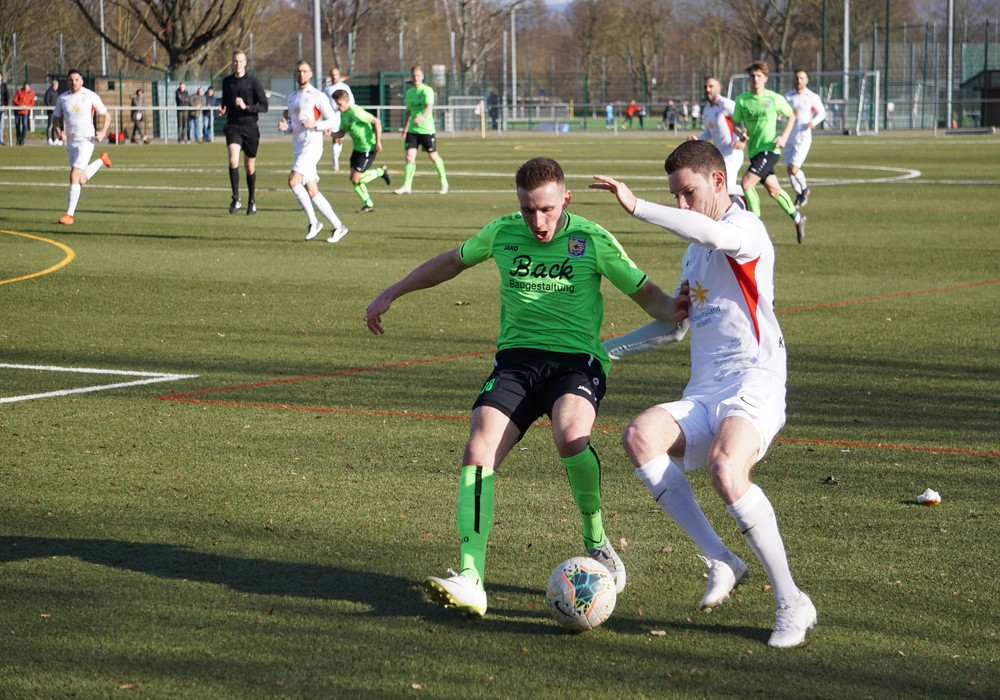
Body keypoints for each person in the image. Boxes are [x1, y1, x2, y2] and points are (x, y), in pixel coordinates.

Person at [364, 156, 676, 617]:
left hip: (576, 361)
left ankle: (597, 542)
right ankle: (471, 578)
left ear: (565, 199)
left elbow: (646, 294)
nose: (538, 221)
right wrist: (393, 291)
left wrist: (683, 309)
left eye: (547, 209)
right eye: (529, 210)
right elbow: (451, 262)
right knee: (478, 450)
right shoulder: (503, 232)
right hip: (516, 362)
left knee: (571, 435)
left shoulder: (592, 239)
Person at [590, 139, 816, 649]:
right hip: (704, 391)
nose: (682, 206)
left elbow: (710, 229)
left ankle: (791, 601)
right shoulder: (695, 252)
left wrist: (637, 207)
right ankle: (722, 558)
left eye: (687, 193)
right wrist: (606, 351)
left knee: (725, 467)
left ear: (719, 181)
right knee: (639, 436)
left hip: (754, 379)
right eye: (674, 197)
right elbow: (674, 329)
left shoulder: (744, 231)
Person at [731, 61, 806, 243]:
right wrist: (741, 135)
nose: (755, 79)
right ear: (749, 78)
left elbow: (791, 116)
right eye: (752, 76)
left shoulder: (773, 98)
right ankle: (798, 218)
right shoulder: (742, 100)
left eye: (759, 76)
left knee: (747, 184)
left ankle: (755, 225)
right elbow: (734, 124)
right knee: (774, 190)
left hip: (770, 150)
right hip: (755, 151)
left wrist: (783, 138)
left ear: (765, 78)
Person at [279, 61, 349, 244]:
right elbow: (294, 125)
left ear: (310, 74)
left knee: (293, 181)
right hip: (298, 148)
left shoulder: (318, 96)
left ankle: (314, 223)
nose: (301, 74)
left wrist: (315, 124)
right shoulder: (292, 97)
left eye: (304, 71)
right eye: (298, 71)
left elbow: (334, 122)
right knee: (312, 190)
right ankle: (339, 226)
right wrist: (284, 127)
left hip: (312, 148)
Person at [52, 69, 112, 225]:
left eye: (77, 79)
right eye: (71, 80)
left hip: (87, 140)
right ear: (68, 81)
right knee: (81, 179)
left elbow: (107, 116)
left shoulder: (90, 96)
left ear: (82, 81)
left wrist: (103, 133)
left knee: (73, 175)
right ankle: (102, 160)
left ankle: (69, 215)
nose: (74, 82)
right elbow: (56, 119)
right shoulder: (63, 98)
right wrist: (59, 132)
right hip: (71, 142)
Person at [219, 49, 269, 215]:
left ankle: (252, 200)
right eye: (235, 61)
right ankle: (235, 198)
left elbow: (264, 106)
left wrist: (247, 107)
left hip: (250, 128)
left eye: (240, 61)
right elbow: (225, 101)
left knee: (249, 166)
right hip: (233, 126)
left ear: (245, 63)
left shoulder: (253, 82)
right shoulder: (227, 82)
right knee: (233, 160)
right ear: (232, 62)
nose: (237, 64)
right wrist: (222, 108)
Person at [330, 89, 390, 214]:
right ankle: (369, 204)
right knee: (354, 179)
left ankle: (380, 172)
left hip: (368, 148)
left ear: (347, 101)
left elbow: (376, 121)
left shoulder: (355, 111)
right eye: (336, 103)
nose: (337, 106)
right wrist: (329, 133)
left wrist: (378, 141)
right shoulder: (343, 114)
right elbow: (341, 133)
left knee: (356, 178)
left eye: (339, 103)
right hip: (357, 149)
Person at [689, 77, 745, 208]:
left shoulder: (726, 104)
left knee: (725, 187)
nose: (708, 90)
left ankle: (748, 190)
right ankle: (742, 213)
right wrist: (697, 140)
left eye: (711, 86)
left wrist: (740, 139)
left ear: (719, 88)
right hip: (720, 156)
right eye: (705, 87)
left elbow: (742, 120)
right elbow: (709, 132)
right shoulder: (707, 109)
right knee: (723, 191)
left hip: (733, 153)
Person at [394, 65, 449, 195]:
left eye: (418, 75)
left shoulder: (427, 90)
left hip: (426, 130)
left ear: (422, 76)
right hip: (413, 131)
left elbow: (429, 106)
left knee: (433, 156)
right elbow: (409, 111)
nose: (415, 78)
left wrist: (422, 117)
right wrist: (406, 128)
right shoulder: (410, 92)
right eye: (413, 76)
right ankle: (407, 186)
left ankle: (444, 182)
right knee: (409, 157)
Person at [783, 70, 826, 208]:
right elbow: (781, 111)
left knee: (794, 168)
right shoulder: (788, 97)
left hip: (803, 138)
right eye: (796, 78)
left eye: (802, 78)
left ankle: (805, 189)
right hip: (789, 137)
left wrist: (813, 122)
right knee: (789, 170)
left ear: (806, 80)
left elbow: (822, 113)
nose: (799, 80)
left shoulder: (812, 96)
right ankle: (799, 194)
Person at [321, 66, 353, 172]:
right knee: (335, 137)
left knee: (340, 138)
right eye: (332, 75)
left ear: (339, 76)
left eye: (336, 74)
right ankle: (335, 161)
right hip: (332, 117)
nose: (334, 77)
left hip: (343, 115)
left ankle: (336, 157)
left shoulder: (345, 87)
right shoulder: (327, 88)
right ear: (330, 76)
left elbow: (351, 101)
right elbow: (322, 101)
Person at [13, 81, 35, 146]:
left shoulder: (31, 93)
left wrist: (27, 106)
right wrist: (20, 105)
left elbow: (32, 103)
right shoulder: (19, 91)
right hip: (17, 111)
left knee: (25, 125)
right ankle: (18, 139)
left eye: (27, 86)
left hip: (25, 111)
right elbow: (15, 100)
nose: (26, 87)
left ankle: (22, 140)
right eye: (25, 86)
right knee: (17, 125)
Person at [44, 80, 61, 145]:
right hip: (51, 112)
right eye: (54, 85)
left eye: (56, 86)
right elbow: (46, 101)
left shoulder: (57, 93)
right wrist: (51, 108)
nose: (55, 87)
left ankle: (55, 139)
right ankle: (49, 139)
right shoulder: (49, 92)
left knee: (56, 125)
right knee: (50, 125)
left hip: (56, 111)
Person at [0, 72, 8, 145]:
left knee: (1, 123)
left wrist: (6, 104)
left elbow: (6, 95)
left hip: (1, 107)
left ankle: (1, 140)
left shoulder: (3, 86)